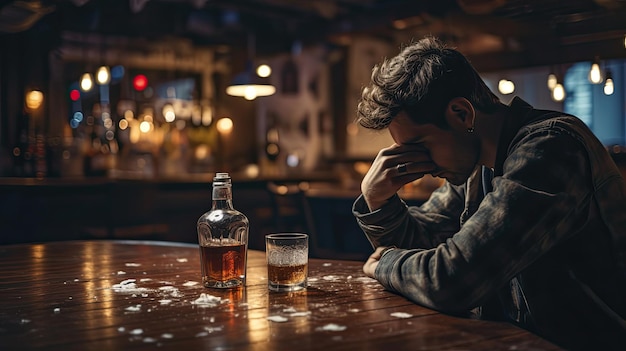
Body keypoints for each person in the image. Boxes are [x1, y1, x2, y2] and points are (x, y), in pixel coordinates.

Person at [352, 36, 626, 350]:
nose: (423, 163)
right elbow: (423, 244)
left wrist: (385, 263)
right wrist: (378, 199)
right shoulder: (478, 167)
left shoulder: (550, 148)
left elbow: (453, 279)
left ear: (461, 114)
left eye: (420, 145)